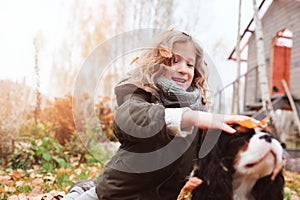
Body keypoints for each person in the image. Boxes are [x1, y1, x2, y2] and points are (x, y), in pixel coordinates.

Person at [63, 29, 259, 200]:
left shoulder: (199, 110)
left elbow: (205, 155)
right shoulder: (139, 94)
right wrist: (188, 117)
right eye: (174, 61)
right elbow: (129, 119)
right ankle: (81, 190)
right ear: (157, 64)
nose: (183, 70)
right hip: (115, 194)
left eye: (190, 64)